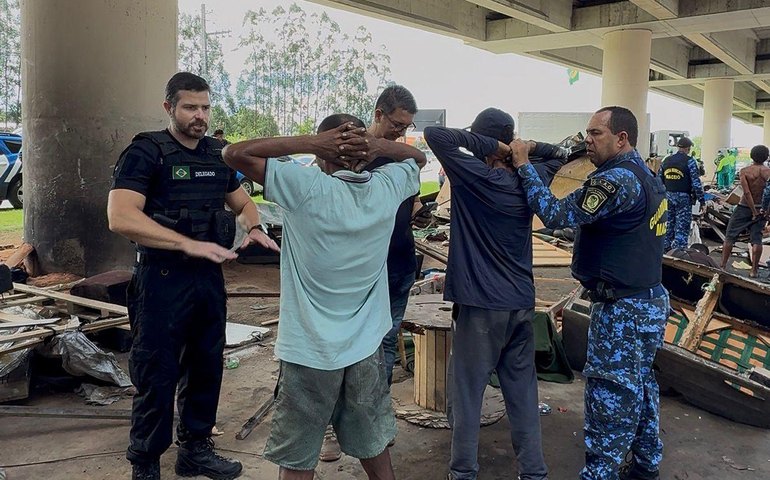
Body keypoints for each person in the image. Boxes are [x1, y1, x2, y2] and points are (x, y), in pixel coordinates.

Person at [223, 113, 426, 480]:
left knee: (299, 455)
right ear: (365, 154)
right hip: (365, 347)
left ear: (323, 154)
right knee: (374, 443)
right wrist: (377, 145)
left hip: (309, 351)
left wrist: (313, 143)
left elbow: (234, 153)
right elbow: (417, 160)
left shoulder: (303, 187)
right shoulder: (387, 187)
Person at [107, 72, 278, 480]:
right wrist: (185, 244)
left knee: (206, 366)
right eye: (190, 107)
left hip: (208, 279)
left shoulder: (217, 155)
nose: (199, 116)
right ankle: (145, 462)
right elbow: (120, 216)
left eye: (205, 107)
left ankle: (195, 450)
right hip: (162, 279)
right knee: (157, 372)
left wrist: (254, 227)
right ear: (169, 108)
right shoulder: (147, 152)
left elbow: (242, 203)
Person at [510, 106, 670, 480]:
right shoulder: (646, 176)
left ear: (621, 138)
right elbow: (571, 156)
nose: (588, 140)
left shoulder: (614, 181)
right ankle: (646, 466)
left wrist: (523, 165)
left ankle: (600, 472)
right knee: (641, 385)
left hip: (622, 311)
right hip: (647, 300)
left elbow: (555, 214)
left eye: (596, 134)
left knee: (609, 396)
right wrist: (537, 146)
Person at [424, 107, 577, 480]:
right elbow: (564, 154)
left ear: (485, 143)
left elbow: (435, 136)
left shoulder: (475, 175)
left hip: (480, 306)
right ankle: (534, 472)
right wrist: (521, 150)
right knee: (522, 394)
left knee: (467, 395)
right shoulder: (533, 177)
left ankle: (463, 473)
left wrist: (495, 146)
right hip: (521, 306)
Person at [318, 84, 421, 463]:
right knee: (339, 350)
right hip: (351, 276)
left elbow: (417, 166)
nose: (401, 133)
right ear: (378, 114)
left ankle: (376, 423)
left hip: (396, 268)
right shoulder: (345, 156)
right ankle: (331, 426)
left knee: (386, 346)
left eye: (406, 127)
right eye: (396, 124)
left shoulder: (399, 160)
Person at [720, 145, 770, 278]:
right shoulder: (768, 172)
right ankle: (754, 271)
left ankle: (723, 266)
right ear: (766, 157)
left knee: (730, 236)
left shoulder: (745, 171)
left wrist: (753, 211)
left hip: (744, 207)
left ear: (751, 156)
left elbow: (747, 193)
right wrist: (766, 211)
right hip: (762, 208)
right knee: (757, 239)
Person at [658, 136, 704, 251]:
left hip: (668, 196)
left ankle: (664, 253)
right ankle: (678, 255)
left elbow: (659, 180)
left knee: (668, 225)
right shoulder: (690, 161)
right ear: (688, 148)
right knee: (682, 228)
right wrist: (702, 201)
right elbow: (696, 183)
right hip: (683, 198)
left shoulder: (666, 160)